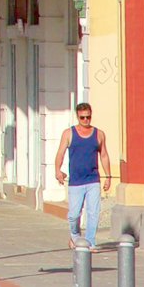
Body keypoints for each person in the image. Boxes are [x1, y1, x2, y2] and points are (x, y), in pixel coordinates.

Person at [54, 103, 111, 250]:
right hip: (76, 181)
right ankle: (75, 237)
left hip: (93, 180)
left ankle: (90, 242)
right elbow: (60, 153)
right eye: (82, 117)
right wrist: (57, 170)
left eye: (88, 117)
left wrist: (108, 176)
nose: (86, 120)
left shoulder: (99, 134)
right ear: (77, 116)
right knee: (73, 214)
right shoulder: (69, 133)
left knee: (93, 213)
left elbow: (104, 155)